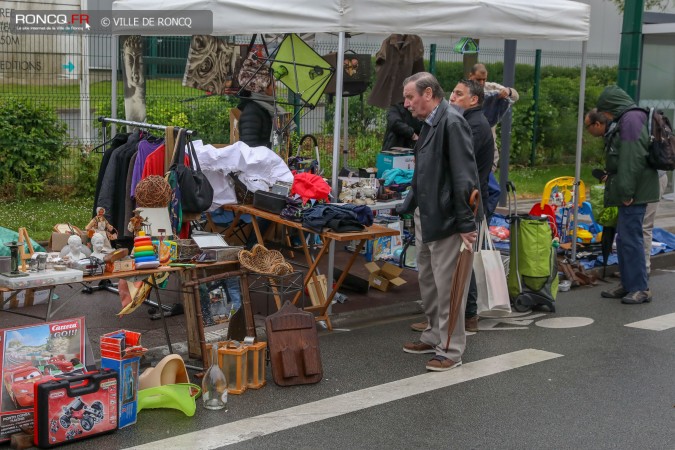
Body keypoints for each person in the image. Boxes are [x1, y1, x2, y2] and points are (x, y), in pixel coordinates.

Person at [395, 72, 479, 371]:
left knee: (449, 288)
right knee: (429, 284)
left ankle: (451, 349)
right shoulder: (430, 123)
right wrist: (407, 207)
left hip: (447, 220)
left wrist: (466, 224)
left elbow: (464, 176)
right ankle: (433, 335)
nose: (406, 104)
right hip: (427, 215)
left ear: (428, 93)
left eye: (410, 97)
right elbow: (423, 174)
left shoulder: (452, 123)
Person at [595, 86, 661, 304]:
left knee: (631, 238)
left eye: (605, 110)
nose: (604, 115)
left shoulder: (631, 120)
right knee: (624, 238)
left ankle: (640, 288)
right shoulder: (628, 118)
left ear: (613, 106)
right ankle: (628, 283)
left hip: (635, 191)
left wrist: (626, 191)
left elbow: (631, 159)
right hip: (634, 189)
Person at [585, 108, 668, 277]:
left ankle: (641, 272)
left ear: (598, 123)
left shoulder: (624, 128)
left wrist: (626, 192)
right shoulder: (614, 131)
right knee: (630, 228)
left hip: (651, 180)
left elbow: (632, 162)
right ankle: (631, 271)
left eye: (588, 127)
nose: (588, 132)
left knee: (643, 226)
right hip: (640, 180)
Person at [468, 63, 519, 171]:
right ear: (470, 76)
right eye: (478, 79)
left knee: (488, 174)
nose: (481, 83)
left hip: (488, 140)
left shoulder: (491, 87)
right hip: (468, 139)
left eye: (484, 79)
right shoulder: (462, 90)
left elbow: (515, 95)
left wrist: (508, 91)